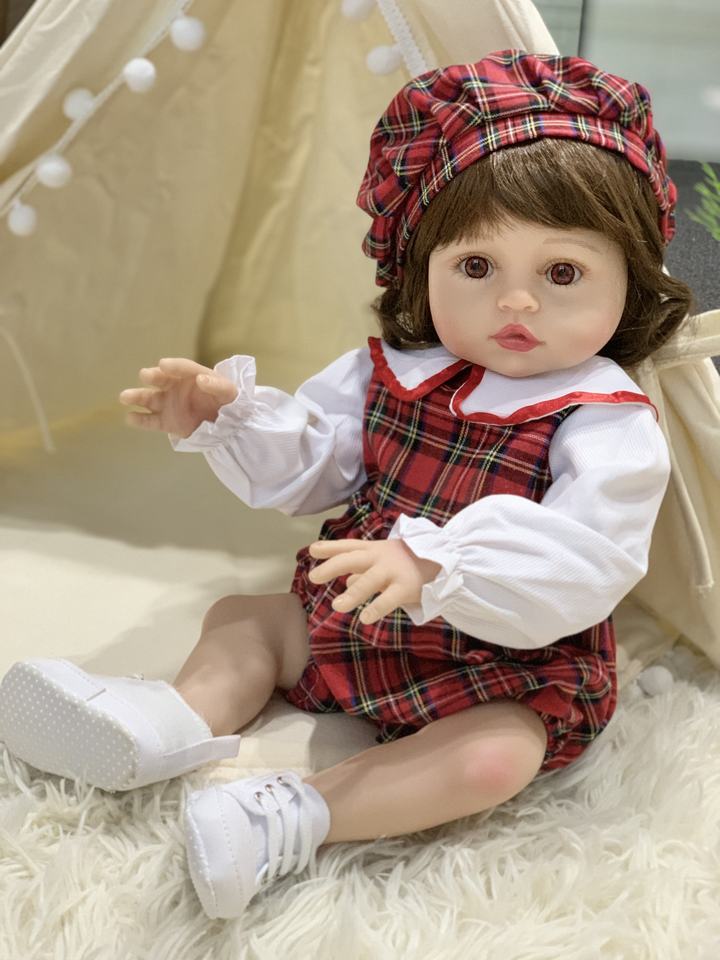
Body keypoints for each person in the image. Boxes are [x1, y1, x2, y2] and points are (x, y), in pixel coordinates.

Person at [0, 49, 697, 920]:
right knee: (248, 620)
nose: (515, 303)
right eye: (476, 268)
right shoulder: (393, 370)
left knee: (495, 758)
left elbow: (589, 555)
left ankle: (296, 816)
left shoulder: (605, 418)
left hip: (503, 663)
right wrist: (226, 417)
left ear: (630, 276)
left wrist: (440, 566)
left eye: (561, 274)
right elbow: (316, 465)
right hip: (353, 620)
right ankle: (169, 721)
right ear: (422, 265)